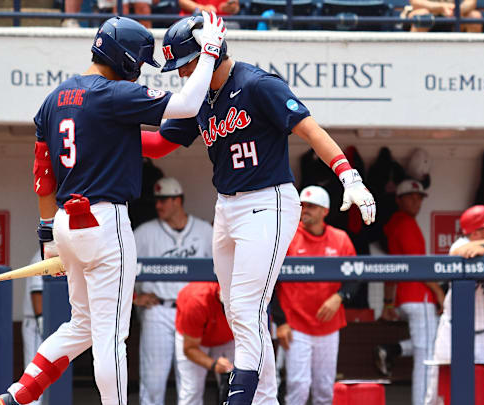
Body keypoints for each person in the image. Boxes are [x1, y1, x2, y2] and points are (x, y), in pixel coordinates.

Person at [0, 13, 227, 405]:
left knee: (81, 324)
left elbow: (42, 175)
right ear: (126, 58)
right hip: (104, 222)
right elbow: (185, 103)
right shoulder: (112, 93)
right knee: (111, 335)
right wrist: (210, 51)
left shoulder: (53, 99)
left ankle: (18, 395)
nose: (138, 74)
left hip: (65, 224)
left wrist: (48, 237)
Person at [141, 15, 376, 405]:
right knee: (236, 311)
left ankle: (241, 399)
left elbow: (310, 128)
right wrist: (107, 138)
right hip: (227, 206)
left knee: (248, 308)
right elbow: (161, 144)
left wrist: (348, 175)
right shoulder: (200, 96)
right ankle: (265, 399)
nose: (181, 73)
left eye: (184, 62)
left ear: (208, 53)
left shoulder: (256, 83)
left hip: (268, 201)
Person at [423, 205, 484, 405]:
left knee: (481, 391)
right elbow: (461, 251)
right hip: (454, 332)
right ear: (475, 232)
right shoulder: (459, 244)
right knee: (438, 396)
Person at [273, 186, 358, 405]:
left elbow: (356, 275)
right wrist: (280, 322)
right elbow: (270, 284)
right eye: (302, 205)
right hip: (296, 326)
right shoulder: (287, 237)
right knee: (298, 387)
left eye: (311, 206)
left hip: (328, 326)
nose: (305, 210)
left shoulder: (340, 239)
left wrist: (339, 297)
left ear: (325, 211)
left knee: (324, 389)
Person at [134, 177, 214, 405]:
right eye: (156, 201)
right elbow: (120, 266)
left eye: (163, 200)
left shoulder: (204, 230)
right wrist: (135, 298)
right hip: (159, 310)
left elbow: (219, 270)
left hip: (193, 313)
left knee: (189, 381)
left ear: (177, 200)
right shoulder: (144, 233)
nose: (158, 205)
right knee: (153, 380)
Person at [374, 179, 443, 405]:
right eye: (411, 197)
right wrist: (440, 294)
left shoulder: (395, 223)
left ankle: (393, 349)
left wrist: (388, 304)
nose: (416, 201)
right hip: (419, 297)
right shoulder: (405, 224)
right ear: (399, 200)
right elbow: (419, 266)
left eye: (419, 197)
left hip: (406, 298)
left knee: (430, 345)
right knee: (427, 356)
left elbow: (392, 270)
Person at [175, 282, 235, 405]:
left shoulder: (246, 300)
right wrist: (213, 365)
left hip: (229, 338)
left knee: (236, 386)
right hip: (195, 340)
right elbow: (190, 348)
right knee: (192, 389)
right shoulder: (197, 301)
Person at [22, 251, 45, 405]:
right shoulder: (40, 258)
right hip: (36, 326)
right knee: (35, 375)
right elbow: (37, 292)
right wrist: (42, 320)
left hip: (49, 325)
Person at [407, 0, 482, 32]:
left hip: (452, 15)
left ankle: (470, 58)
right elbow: (415, 2)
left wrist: (457, 9)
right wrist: (441, 7)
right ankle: (415, 57)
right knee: (422, 16)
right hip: (430, 13)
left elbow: (471, 2)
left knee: (474, 16)